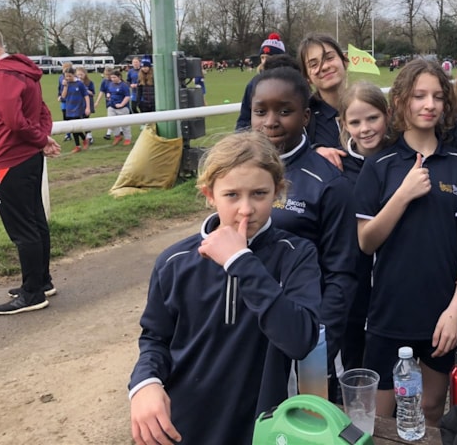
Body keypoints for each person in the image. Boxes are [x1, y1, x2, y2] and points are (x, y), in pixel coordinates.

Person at [128, 130, 322, 445]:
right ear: (209, 194)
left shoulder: (296, 255)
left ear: (277, 192)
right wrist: (145, 383)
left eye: (259, 194)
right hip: (185, 427)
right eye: (231, 195)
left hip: (261, 428)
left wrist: (241, 261)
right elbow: (155, 338)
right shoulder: (174, 261)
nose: (246, 209)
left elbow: (300, 339)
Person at [353, 58, 457, 426]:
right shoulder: (380, 165)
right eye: (419, 95)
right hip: (391, 313)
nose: (429, 104)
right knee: (381, 418)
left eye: (437, 96)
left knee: (433, 409)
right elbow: (366, 242)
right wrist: (402, 195)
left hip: (442, 315)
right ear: (401, 102)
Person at [250, 66, 359, 403]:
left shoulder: (328, 183)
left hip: (304, 332)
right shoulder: (240, 173)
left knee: (304, 424)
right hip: (247, 330)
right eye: (261, 111)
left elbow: (343, 273)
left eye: (285, 111)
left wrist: (321, 342)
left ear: (306, 116)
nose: (271, 121)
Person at [0, 23, 61, 315]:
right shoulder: (25, 71)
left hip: (9, 158)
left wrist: (40, 139)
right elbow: (43, 112)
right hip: (27, 156)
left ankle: (32, 294)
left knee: (22, 228)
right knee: (36, 220)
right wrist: (42, 139)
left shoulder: (3, 75)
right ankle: (41, 281)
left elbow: (13, 120)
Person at [337, 81, 392, 372]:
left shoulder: (402, 158)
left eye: (373, 118)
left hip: (395, 278)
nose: (365, 128)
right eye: (355, 122)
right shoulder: (336, 164)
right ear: (343, 123)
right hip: (352, 279)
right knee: (355, 360)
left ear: (388, 114)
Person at [297, 33, 350, 170]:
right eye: (313, 64)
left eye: (329, 58)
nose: (324, 67)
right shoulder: (302, 118)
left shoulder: (370, 105)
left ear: (345, 61)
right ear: (307, 77)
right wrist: (314, 151)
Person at [234, 33, 287, 131]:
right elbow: (244, 118)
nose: (264, 62)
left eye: (269, 57)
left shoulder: (292, 83)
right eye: (262, 57)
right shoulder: (253, 84)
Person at [60, 67, 91, 153]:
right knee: (72, 128)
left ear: (73, 74)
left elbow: (86, 95)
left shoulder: (79, 84)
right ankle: (82, 141)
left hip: (78, 108)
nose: (68, 78)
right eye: (66, 76)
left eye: (69, 76)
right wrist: (65, 86)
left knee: (76, 127)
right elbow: (63, 96)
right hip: (69, 108)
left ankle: (79, 144)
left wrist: (87, 107)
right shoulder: (66, 84)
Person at [106, 70, 132, 145]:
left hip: (122, 108)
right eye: (111, 77)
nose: (113, 79)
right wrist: (108, 96)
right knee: (111, 122)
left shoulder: (124, 85)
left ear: (119, 77)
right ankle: (117, 136)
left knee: (125, 124)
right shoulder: (110, 84)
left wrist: (121, 104)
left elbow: (127, 96)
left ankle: (127, 138)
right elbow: (109, 92)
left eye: (114, 77)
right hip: (112, 106)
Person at [75, 66, 96, 145]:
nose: (80, 76)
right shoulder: (75, 82)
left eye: (81, 74)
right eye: (78, 75)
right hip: (79, 103)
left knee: (86, 118)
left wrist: (85, 90)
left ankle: (89, 135)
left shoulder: (89, 83)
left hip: (88, 102)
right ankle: (84, 135)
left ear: (85, 74)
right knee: (79, 119)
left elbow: (93, 93)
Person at [96, 65, 115, 140]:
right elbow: (101, 92)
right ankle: (110, 132)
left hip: (117, 102)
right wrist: (97, 101)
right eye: (106, 74)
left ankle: (109, 133)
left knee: (115, 117)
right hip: (109, 102)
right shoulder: (104, 81)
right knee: (110, 117)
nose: (107, 76)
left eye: (109, 75)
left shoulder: (115, 80)